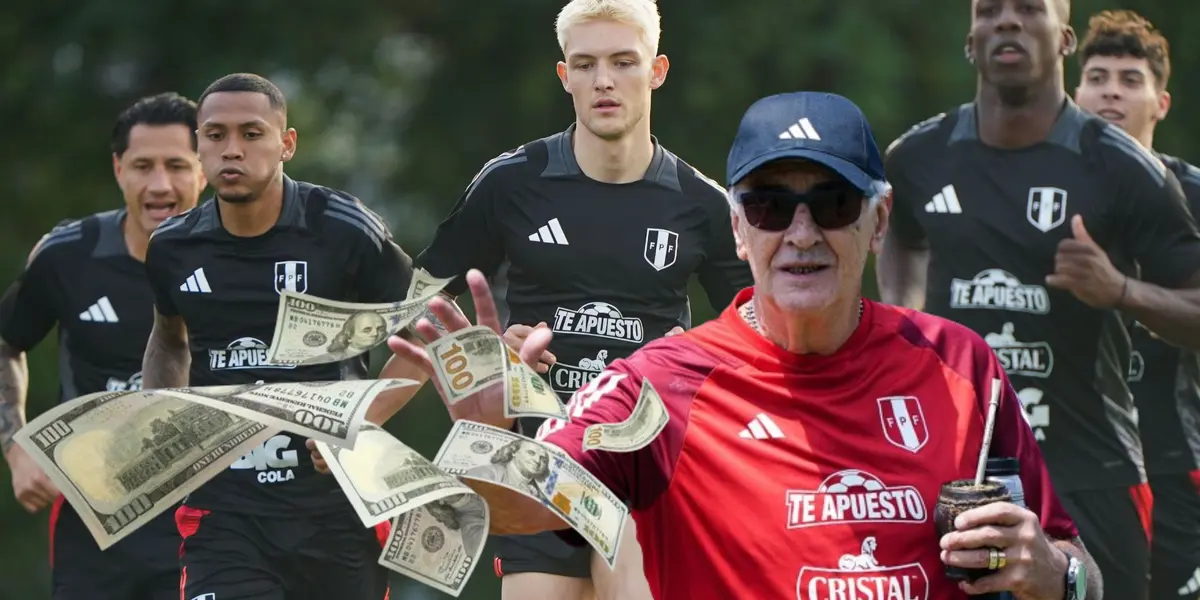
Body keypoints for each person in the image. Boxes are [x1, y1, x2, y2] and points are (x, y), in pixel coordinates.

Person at [388, 90, 1102, 600]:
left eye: (832, 204)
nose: (800, 233)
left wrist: (1056, 575)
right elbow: (524, 511)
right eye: (768, 206)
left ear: (878, 221)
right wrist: (486, 436)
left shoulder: (962, 367)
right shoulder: (659, 386)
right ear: (737, 229)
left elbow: (1075, 562)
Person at [400, 0, 752, 598]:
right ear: (565, 76)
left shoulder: (704, 204)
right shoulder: (512, 182)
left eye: (623, 62)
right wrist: (484, 363)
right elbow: (415, 314)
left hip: (649, 464)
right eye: (585, 65)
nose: (604, 80)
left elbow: (757, 338)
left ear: (658, 70)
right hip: (537, 463)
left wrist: (693, 359)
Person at [878, 0, 1200, 597]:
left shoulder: (1123, 168)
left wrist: (1121, 290)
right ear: (971, 41)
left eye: (1029, 9)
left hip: (1091, 476)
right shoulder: (917, 158)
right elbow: (897, 231)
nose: (1007, 21)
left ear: (1065, 40)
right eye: (989, 11)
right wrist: (904, 314)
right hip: (958, 477)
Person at [140, 73, 420, 600]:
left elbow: (431, 335)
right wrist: (160, 413)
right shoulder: (172, 247)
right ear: (198, 144)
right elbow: (170, 338)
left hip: (336, 511)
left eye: (251, 134)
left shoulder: (343, 229)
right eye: (215, 135)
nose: (232, 150)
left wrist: (359, 419)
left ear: (286, 143)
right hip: (225, 514)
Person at [0, 92, 205, 600]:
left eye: (177, 165)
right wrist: (16, 447)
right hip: (91, 521)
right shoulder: (69, 255)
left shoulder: (242, 262)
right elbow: (5, 341)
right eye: (143, 166)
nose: (160, 185)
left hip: (210, 516)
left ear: (204, 170)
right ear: (118, 169)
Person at [1073, 10, 1200, 599]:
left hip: (1174, 459)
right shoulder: (1038, 190)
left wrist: (1123, 291)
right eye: (1097, 77)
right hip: (1072, 462)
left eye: (1129, 80)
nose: (1111, 93)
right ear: (1075, 94)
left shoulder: (1193, 195)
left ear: (1162, 102)